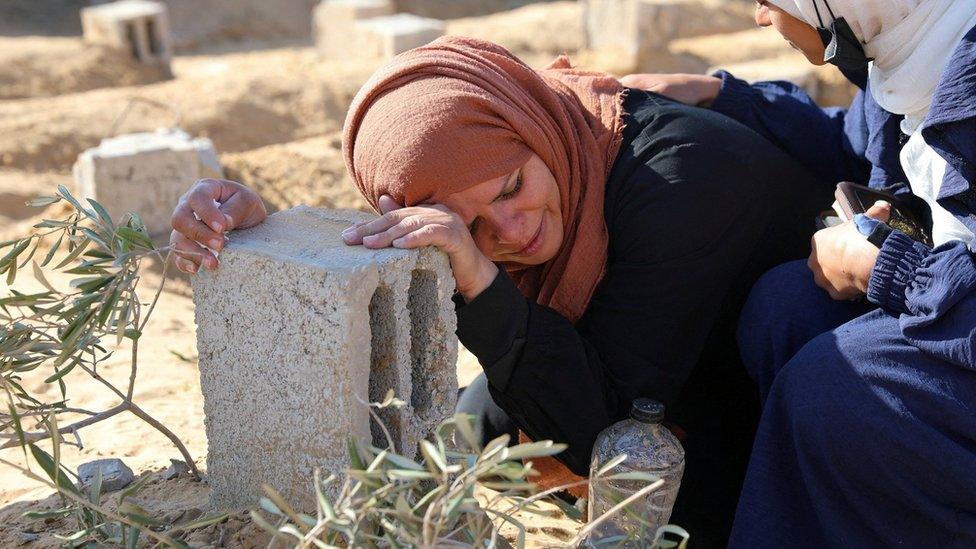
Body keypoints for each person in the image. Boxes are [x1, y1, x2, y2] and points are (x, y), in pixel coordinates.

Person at [170, 36, 833, 543]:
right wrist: (266, 226)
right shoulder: (533, 150)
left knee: (662, 495)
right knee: (469, 425)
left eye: (513, 186)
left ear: (532, 128)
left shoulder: (681, 181)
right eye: (472, 225)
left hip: (766, 394)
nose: (514, 230)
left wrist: (480, 273)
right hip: (637, 356)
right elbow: (399, 236)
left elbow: (594, 437)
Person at [623, 0, 976, 545]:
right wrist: (723, 96)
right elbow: (855, 143)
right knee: (784, 307)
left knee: (833, 384)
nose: (762, 17)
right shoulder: (912, 43)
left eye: (770, 0)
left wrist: (886, 266)